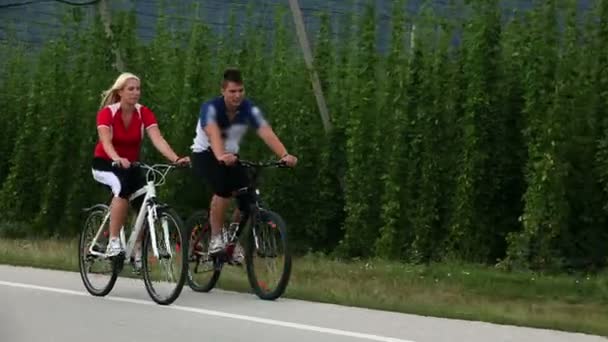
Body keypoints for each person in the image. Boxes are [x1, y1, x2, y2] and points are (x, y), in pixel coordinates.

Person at [191, 68, 297, 262]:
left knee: (248, 198)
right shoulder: (211, 107)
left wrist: (284, 154)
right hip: (205, 154)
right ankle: (215, 238)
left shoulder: (248, 108)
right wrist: (221, 155)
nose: (237, 95)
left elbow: (265, 131)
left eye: (241, 90)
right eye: (232, 91)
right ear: (223, 91)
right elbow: (213, 132)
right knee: (222, 188)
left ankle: (231, 240)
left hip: (230, 156)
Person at [91, 72, 190, 266]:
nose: (136, 92)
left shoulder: (143, 112)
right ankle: (112, 242)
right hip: (106, 163)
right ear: (120, 92)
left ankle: (137, 249)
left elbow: (158, 139)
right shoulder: (108, 113)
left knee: (146, 203)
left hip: (130, 166)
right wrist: (117, 158)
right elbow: (105, 141)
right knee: (122, 189)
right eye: (131, 89)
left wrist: (176, 158)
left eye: (138, 89)